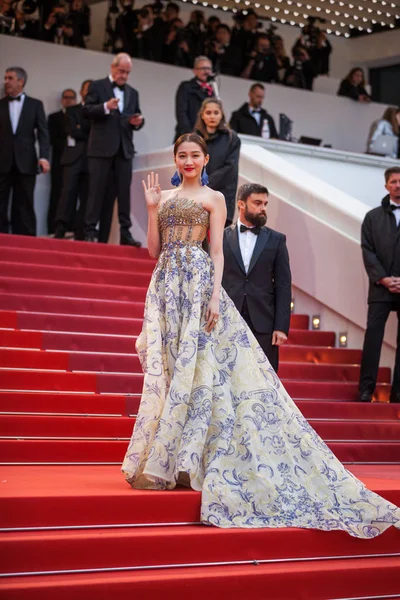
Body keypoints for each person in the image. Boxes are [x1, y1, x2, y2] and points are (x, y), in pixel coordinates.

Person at [121, 132, 400, 536]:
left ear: (205, 158)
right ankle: (168, 456)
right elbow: (152, 252)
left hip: (199, 285)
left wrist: (215, 297)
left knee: (196, 372)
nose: (187, 161)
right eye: (181, 155)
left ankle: (193, 457)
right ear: (175, 159)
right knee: (167, 370)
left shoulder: (215, 198)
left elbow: (216, 251)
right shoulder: (161, 197)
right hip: (165, 287)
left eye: (194, 155)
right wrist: (150, 211)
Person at [222, 183, 291, 372]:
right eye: (257, 203)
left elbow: (284, 286)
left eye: (265, 204)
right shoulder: (221, 237)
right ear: (241, 204)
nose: (263, 209)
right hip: (228, 320)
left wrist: (281, 326)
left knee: (265, 380)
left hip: (264, 323)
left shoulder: (277, 240)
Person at [83, 53, 144, 246]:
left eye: (127, 72)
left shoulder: (133, 92)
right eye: (121, 71)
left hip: (124, 150)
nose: (124, 76)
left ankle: (125, 233)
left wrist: (137, 122)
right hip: (101, 148)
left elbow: (135, 117)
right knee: (95, 191)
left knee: (124, 194)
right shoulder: (97, 86)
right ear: (112, 67)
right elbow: (85, 111)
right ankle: (90, 231)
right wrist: (105, 107)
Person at [359, 167, 400, 404]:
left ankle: (398, 393)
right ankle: (366, 390)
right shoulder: (372, 217)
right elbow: (368, 250)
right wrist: (383, 278)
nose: (398, 185)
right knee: (373, 338)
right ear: (386, 186)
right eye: (393, 181)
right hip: (379, 287)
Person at [0, 66, 50, 236]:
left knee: (25, 203)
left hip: (27, 161)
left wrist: (44, 157)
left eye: (10, 78)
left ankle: (26, 240)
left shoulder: (35, 105)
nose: (6, 81)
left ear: (21, 81)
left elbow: (43, 133)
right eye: (5, 78)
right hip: (2, 161)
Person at [54, 79, 92, 241]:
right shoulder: (72, 110)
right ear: (81, 92)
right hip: (72, 158)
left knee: (87, 196)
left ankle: (80, 231)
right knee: (67, 193)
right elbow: (73, 131)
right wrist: (88, 132)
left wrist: (80, 128)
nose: (90, 93)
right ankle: (60, 228)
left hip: (92, 160)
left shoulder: (99, 112)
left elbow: (89, 133)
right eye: (87, 90)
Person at [195, 98, 240, 226]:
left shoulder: (231, 138)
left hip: (222, 195)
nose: (212, 116)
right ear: (202, 115)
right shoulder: (195, 138)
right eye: (208, 113)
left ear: (221, 115)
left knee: (218, 242)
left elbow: (231, 168)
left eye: (216, 112)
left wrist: (205, 183)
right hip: (198, 195)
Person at [47, 88, 77, 234]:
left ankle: (70, 227)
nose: (68, 100)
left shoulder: (81, 117)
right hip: (59, 161)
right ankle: (54, 228)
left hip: (76, 162)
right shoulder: (54, 118)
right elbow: (52, 139)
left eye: (71, 97)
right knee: (57, 194)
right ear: (61, 100)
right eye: (65, 97)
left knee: (72, 194)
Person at [174, 55, 215, 141]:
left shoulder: (211, 90)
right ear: (195, 71)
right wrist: (189, 134)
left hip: (205, 137)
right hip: (187, 134)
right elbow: (181, 112)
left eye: (208, 68)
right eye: (203, 68)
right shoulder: (186, 87)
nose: (206, 71)